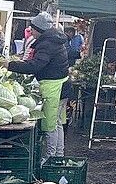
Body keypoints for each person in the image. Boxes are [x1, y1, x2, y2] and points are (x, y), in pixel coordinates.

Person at [5, 12, 69, 163]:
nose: (31, 31)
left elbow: (36, 65)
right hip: (62, 85)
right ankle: (58, 157)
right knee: (57, 123)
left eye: (33, 28)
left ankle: (50, 159)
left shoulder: (47, 43)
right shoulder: (55, 39)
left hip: (53, 88)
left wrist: (10, 65)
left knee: (50, 125)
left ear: (40, 29)